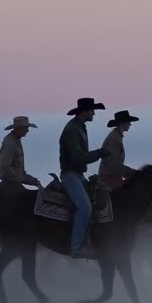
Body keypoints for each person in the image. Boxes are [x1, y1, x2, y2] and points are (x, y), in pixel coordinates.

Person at [57, 97, 110, 257]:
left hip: (77, 175)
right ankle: (76, 247)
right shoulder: (73, 130)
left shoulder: (79, 127)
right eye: (92, 110)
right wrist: (99, 153)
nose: (94, 113)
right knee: (85, 209)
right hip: (71, 175)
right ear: (84, 112)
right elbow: (77, 158)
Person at [0, 116, 42, 192]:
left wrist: (31, 179)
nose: (27, 130)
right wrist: (23, 179)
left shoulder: (15, 141)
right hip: (10, 186)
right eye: (26, 128)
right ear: (19, 128)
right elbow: (4, 169)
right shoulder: (10, 144)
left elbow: (16, 170)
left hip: (13, 184)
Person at [98, 109, 139, 190]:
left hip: (113, 179)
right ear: (123, 123)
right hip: (110, 181)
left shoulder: (116, 137)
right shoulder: (114, 139)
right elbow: (114, 165)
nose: (130, 124)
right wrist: (134, 173)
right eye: (128, 122)